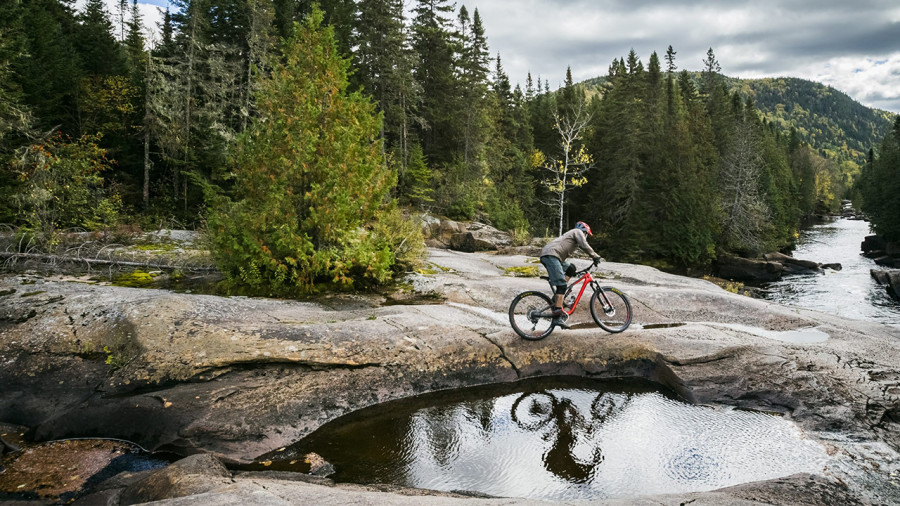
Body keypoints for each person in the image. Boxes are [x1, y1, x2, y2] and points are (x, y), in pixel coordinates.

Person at [539, 221, 602, 327]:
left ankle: (558, 297)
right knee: (562, 285)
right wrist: (595, 256)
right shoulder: (577, 232)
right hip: (551, 255)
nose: (586, 236)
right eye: (586, 234)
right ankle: (557, 317)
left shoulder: (572, 236)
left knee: (571, 268)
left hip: (554, 256)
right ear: (585, 232)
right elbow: (584, 245)